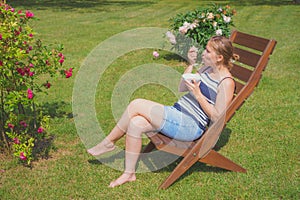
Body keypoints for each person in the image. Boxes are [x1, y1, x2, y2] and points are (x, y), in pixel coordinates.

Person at [87, 36, 239, 188]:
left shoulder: (226, 82)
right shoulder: (207, 68)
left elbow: (217, 117)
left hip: (190, 125)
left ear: (219, 57)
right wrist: (191, 65)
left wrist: (199, 95)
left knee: (136, 104)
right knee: (136, 123)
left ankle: (109, 143)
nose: (203, 53)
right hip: (177, 113)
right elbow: (182, 88)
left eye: (207, 51)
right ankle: (129, 174)